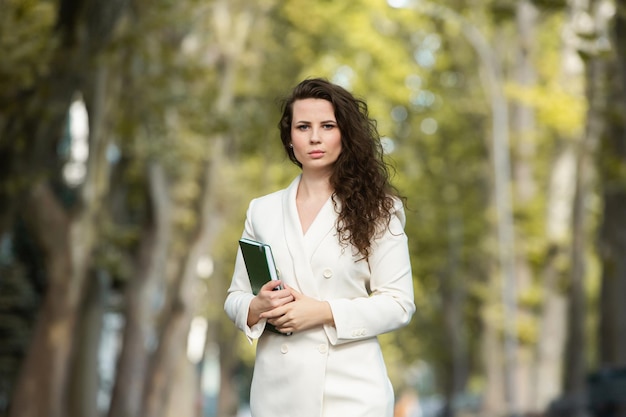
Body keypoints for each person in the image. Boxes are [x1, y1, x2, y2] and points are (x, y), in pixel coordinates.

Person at [224, 77, 416, 417]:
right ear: (289, 138)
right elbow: (235, 298)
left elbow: (399, 303)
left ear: (344, 133)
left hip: (352, 393)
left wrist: (322, 312)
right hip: (277, 393)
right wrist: (257, 306)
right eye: (303, 126)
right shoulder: (262, 211)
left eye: (327, 125)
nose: (315, 137)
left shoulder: (380, 209)